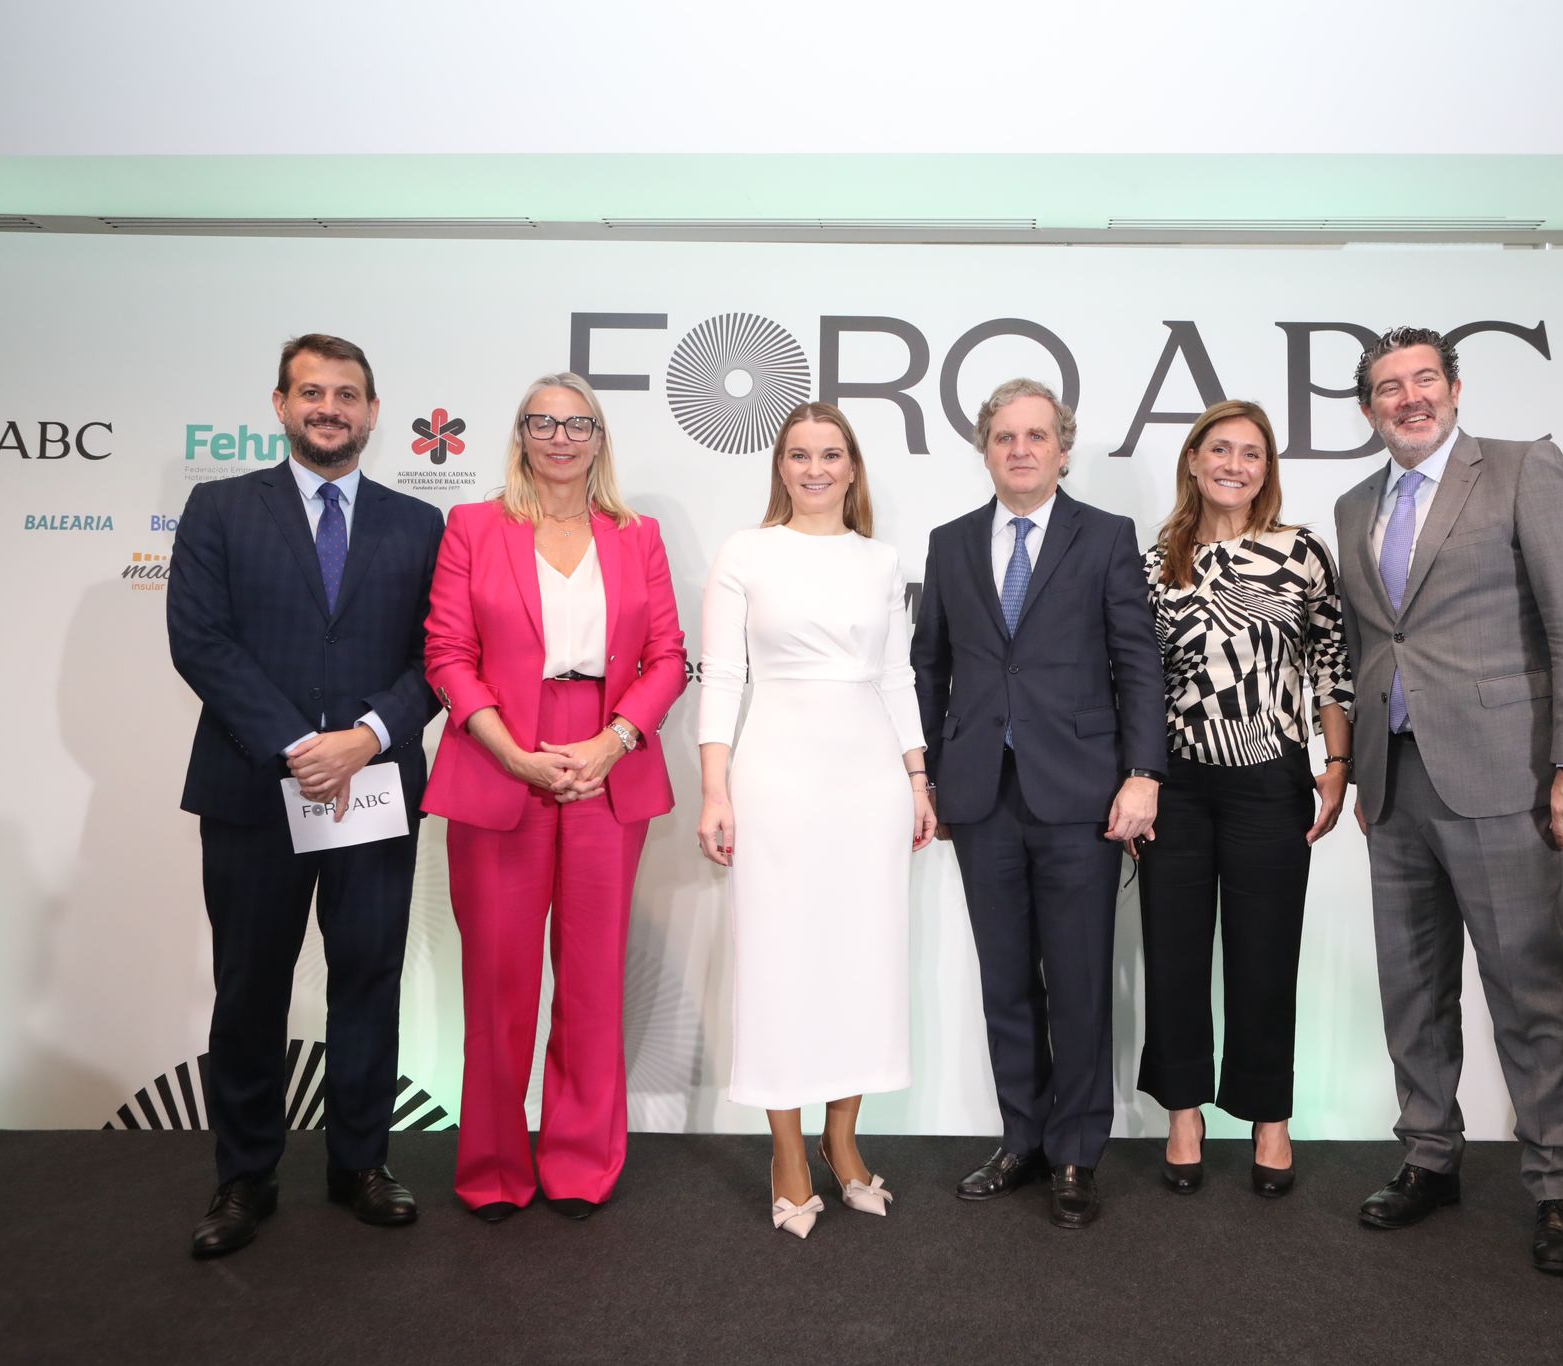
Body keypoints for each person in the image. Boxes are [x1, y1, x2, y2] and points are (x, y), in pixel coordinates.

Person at [1332, 327, 1563, 1274]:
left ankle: (1559, 1185)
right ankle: (1428, 1156)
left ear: (1455, 387)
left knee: (1528, 986)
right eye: (1388, 388)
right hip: (1397, 782)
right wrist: (1366, 768)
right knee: (1412, 987)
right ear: (1369, 407)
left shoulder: (1524, 470)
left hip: (1506, 773)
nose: (1409, 398)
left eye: (1424, 380)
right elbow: (1380, 643)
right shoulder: (1353, 504)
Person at [168, 333, 444, 1258]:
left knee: (367, 976)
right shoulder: (218, 508)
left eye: (348, 394)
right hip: (253, 788)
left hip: (373, 788)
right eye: (312, 392)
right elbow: (200, 642)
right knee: (250, 986)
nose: (331, 408)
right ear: (280, 405)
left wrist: (365, 737)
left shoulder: (419, 526)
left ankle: (359, 1162)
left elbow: (435, 661)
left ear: (372, 412)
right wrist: (297, 746)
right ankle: (245, 1176)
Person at [422, 372, 687, 1222]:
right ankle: (495, 1166)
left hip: (608, 759)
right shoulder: (473, 526)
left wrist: (613, 742)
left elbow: (669, 658)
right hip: (500, 755)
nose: (561, 437)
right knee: (498, 981)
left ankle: (579, 1160)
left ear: (600, 439)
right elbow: (447, 654)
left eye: (579, 424)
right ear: (522, 434)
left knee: (592, 977)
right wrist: (513, 752)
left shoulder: (635, 534)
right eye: (545, 422)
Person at [912, 377, 1164, 1229]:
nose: (1020, 449)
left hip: (1083, 796)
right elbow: (929, 668)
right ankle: (1021, 1139)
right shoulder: (948, 544)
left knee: (1081, 980)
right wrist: (934, 775)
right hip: (982, 797)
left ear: (1063, 446)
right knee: (1007, 981)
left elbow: (1138, 664)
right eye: (1004, 437)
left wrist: (1143, 773)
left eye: (1036, 436)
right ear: (985, 448)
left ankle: (1075, 1153)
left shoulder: (1106, 537)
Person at [696, 401, 933, 1239]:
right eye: (800, 454)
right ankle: (787, 1150)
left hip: (868, 778)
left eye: (832, 454)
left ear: (854, 467)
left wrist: (916, 778)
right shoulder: (746, 552)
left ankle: (843, 1138)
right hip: (777, 778)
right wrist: (716, 790)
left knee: (861, 958)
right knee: (780, 960)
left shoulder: (881, 560)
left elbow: (897, 678)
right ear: (780, 466)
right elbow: (722, 677)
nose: (816, 468)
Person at [1137, 400, 1354, 1199]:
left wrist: (1337, 761)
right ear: (1194, 461)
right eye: (1220, 449)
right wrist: (1138, 780)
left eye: (1252, 454)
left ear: (1268, 470)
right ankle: (1184, 1113)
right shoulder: (1157, 559)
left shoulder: (1300, 553)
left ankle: (1269, 1118)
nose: (1235, 464)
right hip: (1177, 786)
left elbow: (1332, 661)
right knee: (1174, 952)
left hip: (1271, 778)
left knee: (1266, 955)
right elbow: (1136, 683)